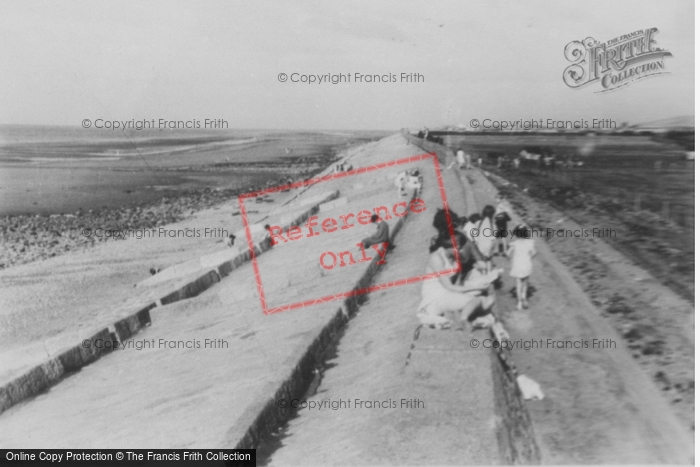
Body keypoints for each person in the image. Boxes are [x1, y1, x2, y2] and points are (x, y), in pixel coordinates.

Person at [417, 234, 500, 330]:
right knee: (476, 300)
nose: (459, 249)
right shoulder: (436, 258)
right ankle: (463, 319)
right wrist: (477, 288)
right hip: (436, 296)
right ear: (446, 247)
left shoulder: (454, 255)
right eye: (456, 246)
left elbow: (457, 283)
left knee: (490, 300)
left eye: (459, 245)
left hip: (448, 293)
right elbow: (449, 286)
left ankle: (464, 314)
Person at [507, 224, 536, 310]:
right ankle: (524, 297)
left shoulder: (514, 244)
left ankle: (519, 303)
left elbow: (508, 254)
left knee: (518, 284)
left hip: (517, 266)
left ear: (516, 234)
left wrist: (511, 260)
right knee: (526, 283)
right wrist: (529, 258)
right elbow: (534, 253)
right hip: (526, 265)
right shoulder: (529, 243)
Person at [473, 205, 497, 271]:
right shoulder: (493, 225)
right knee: (488, 260)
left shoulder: (478, 223)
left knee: (481, 262)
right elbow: (493, 239)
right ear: (492, 214)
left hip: (479, 245)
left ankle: (482, 274)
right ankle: (488, 276)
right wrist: (492, 249)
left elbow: (475, 236)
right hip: (488, 247)